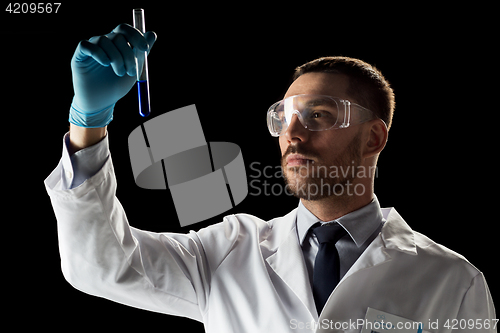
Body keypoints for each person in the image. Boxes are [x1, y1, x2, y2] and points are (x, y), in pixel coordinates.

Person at [45, 24, 496, 333]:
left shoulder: (453, 281)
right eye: (283, 118)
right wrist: (89, 124)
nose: (292, 134)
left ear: (375, 137)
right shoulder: (225, 251)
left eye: (318, 115)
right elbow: (101, 267)